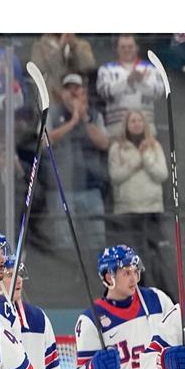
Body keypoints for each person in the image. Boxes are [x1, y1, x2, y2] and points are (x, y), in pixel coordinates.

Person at [47, 73, 110, 250]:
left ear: (84, 92)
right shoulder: (52, 113)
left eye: (77, 88)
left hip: (90, 186)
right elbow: (44, 141)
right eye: (68, 89)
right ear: (62, 93)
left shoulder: (94, 115)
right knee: (65, 240)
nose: (73, 92)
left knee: (97, 240)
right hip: (62, 187)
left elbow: (104, 143)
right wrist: (73, 122)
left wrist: (83, 119)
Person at [107, 110, 168, 288]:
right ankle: (131, 287)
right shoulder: (117, 148)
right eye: (132, 121)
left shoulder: (154, 146)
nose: (136, 124)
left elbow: (162, 174)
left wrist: (146, 159)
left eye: (139, 120)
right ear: (126, 124)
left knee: (153, 252)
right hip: (128, 210)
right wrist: (134, 164)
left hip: (151, 209)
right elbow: (115, 176)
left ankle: (155, 286)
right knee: (131, 252)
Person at [96, 34, 164, 137]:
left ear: (137, 48)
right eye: (123, 47)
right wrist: (127, 82)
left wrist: (141, 83)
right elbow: (104, 93)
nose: (127, 50)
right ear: (117, 49)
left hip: (146, 125)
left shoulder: (151, 68)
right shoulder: (106, 69)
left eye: (130, 47)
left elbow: (159, 93)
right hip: (116, 126)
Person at [30, 34, 96, 103]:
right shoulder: (39, 46)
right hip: (53, 99)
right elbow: (41, 68)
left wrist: (75, 47)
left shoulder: (82, 45)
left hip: (78, 99)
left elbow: (89, 66)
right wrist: (60, 49)